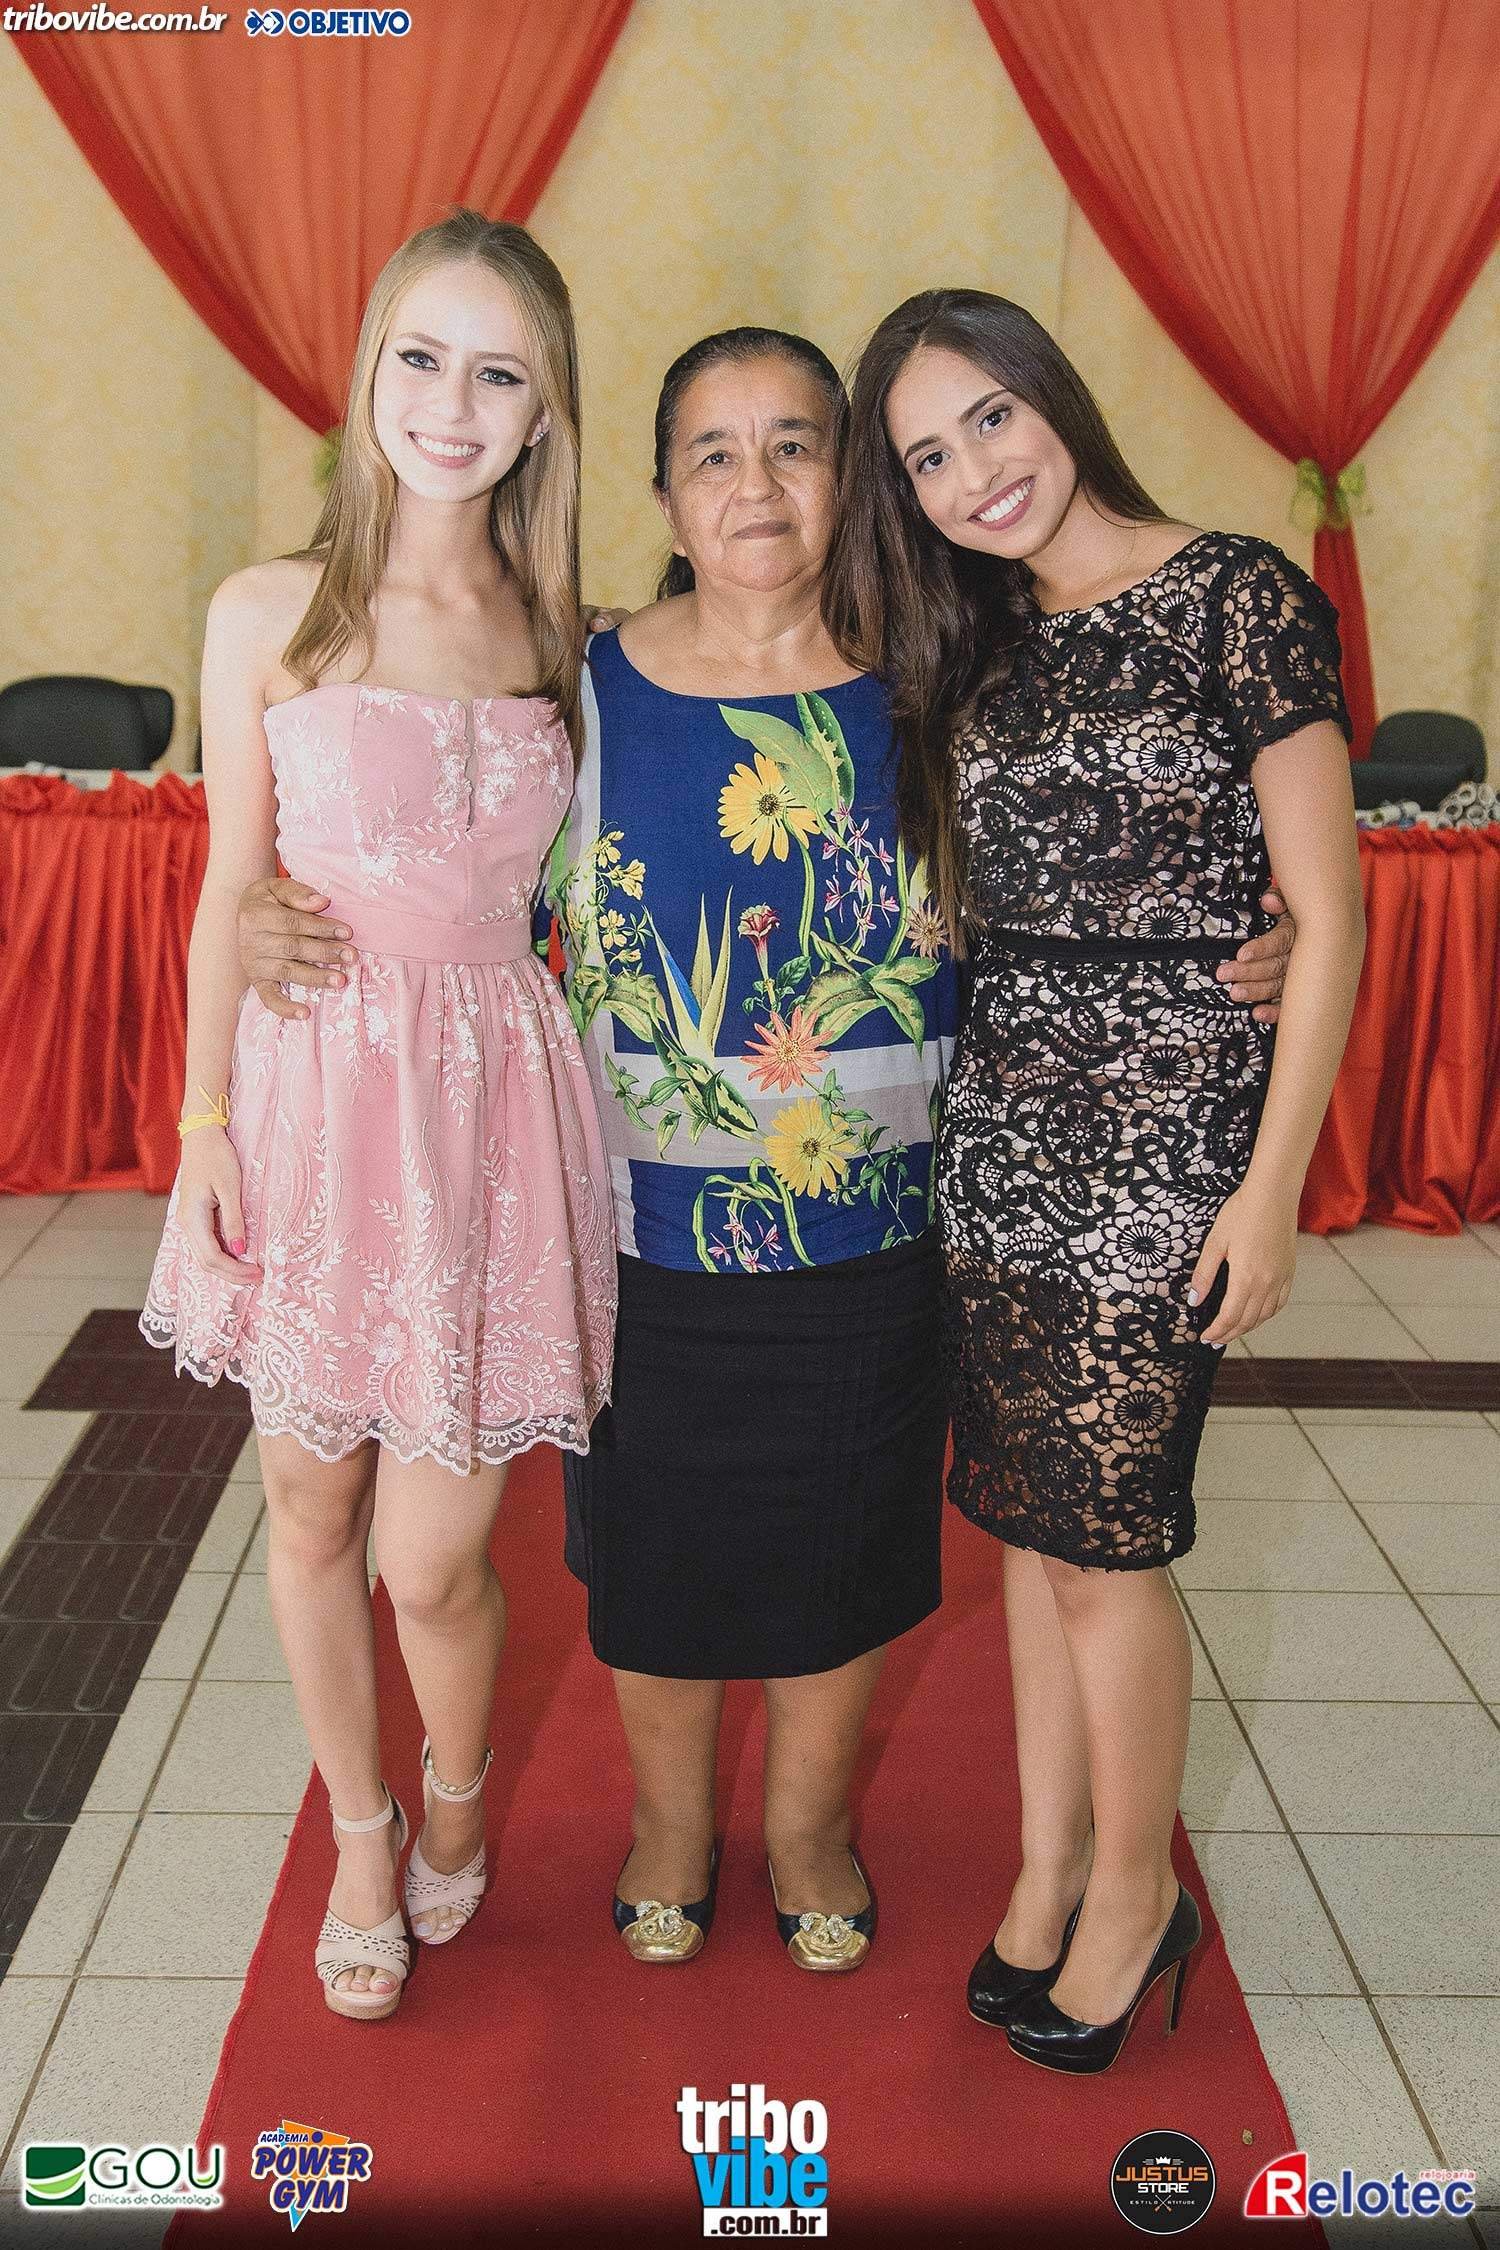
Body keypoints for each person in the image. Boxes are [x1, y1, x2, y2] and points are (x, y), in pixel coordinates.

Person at [235, 327, 1292, 1976]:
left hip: (880, 1222)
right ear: (662, 491)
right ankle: (671, 1825)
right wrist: (264, 904)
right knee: (652, 1552)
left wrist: (1252, 925)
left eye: (796, 445)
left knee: (844, 1551)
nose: (756, 485)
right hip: (632, 1219)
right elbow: (425, 826)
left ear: (849, 477)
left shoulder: (937, 674)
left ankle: (807, 1826)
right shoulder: (574, 678)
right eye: (713, 453)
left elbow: (1098, 834)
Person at [827, 288, 1363, 2070]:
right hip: (1002, 1131)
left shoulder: (1236, 597)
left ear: (1052, 395)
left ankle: (1138, 1896)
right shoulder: (970, 636)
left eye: (990, 417)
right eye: (927, 456)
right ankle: (1050, 1865)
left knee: (1107, 1545)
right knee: (1032, 1529)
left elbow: (1332, 916)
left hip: (1170, 1137)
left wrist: (1270, 1188)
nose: (974, 472)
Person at [139, 211, 615, 2023]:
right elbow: (226, 886)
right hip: (312, 1093)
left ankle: (459, 1787)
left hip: (488, 1105)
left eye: (498, 373)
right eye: (422, 356)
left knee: (433, 1556)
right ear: (369, 372)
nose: (452, 403)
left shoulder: (566, 635)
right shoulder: (268, 613)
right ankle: (360, 1829)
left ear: (545, 410)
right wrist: (201, 1121)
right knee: (307, 1497)